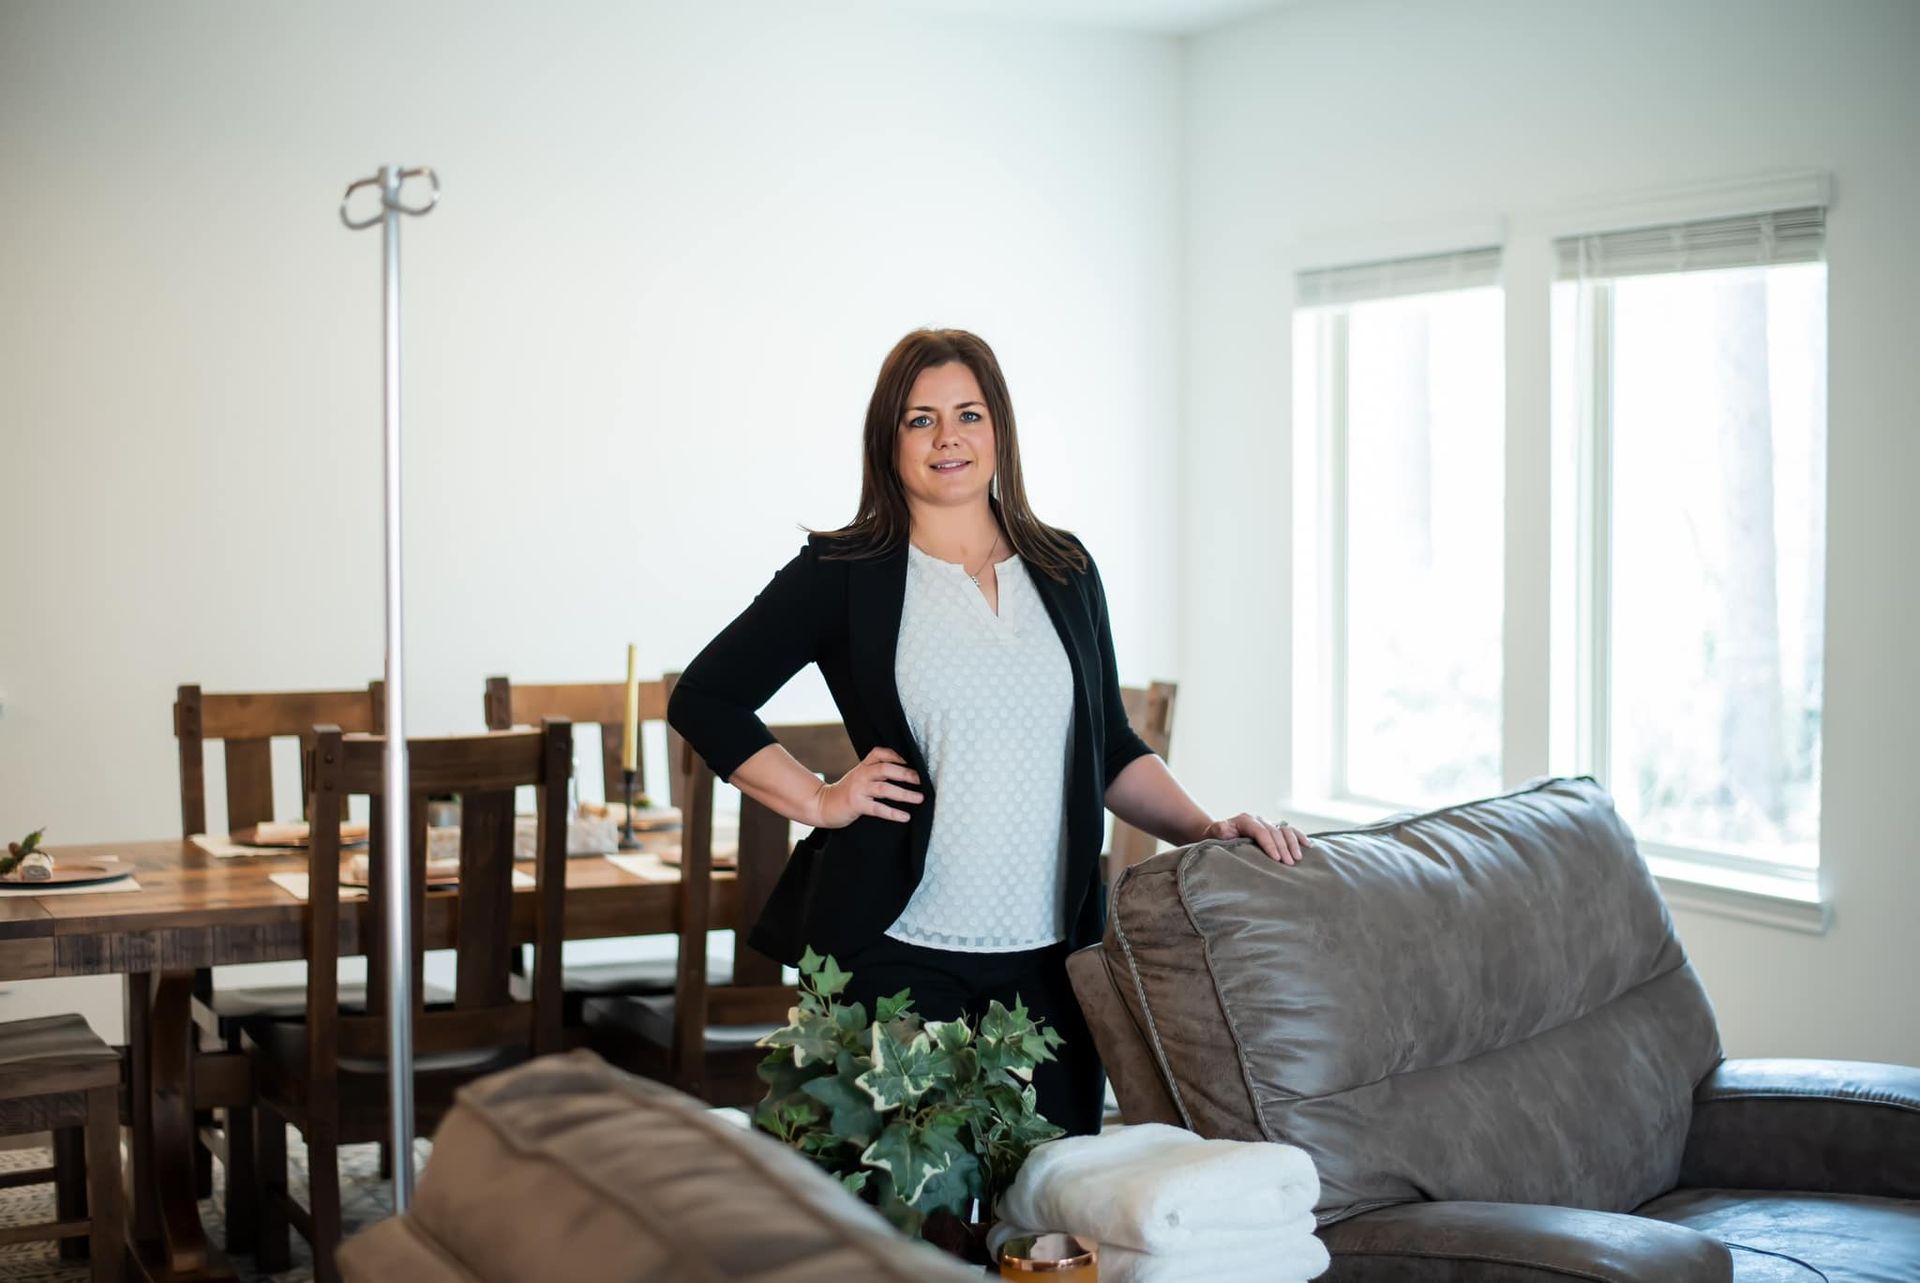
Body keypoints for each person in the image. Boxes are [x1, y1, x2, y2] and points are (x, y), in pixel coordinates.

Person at [668, 328, 1308, 1135]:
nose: (948, 438)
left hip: (1051, 961)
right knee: (895, 1233)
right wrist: (821, 799)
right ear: (888, 439)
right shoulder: (844, 573)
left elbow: (1108, 745)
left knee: (1049, 1223)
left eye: (968, 414)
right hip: (895, 952)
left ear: (998, 428)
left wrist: (1207, 828)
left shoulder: (1065, 567)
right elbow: (707, 696)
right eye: (920, 419)